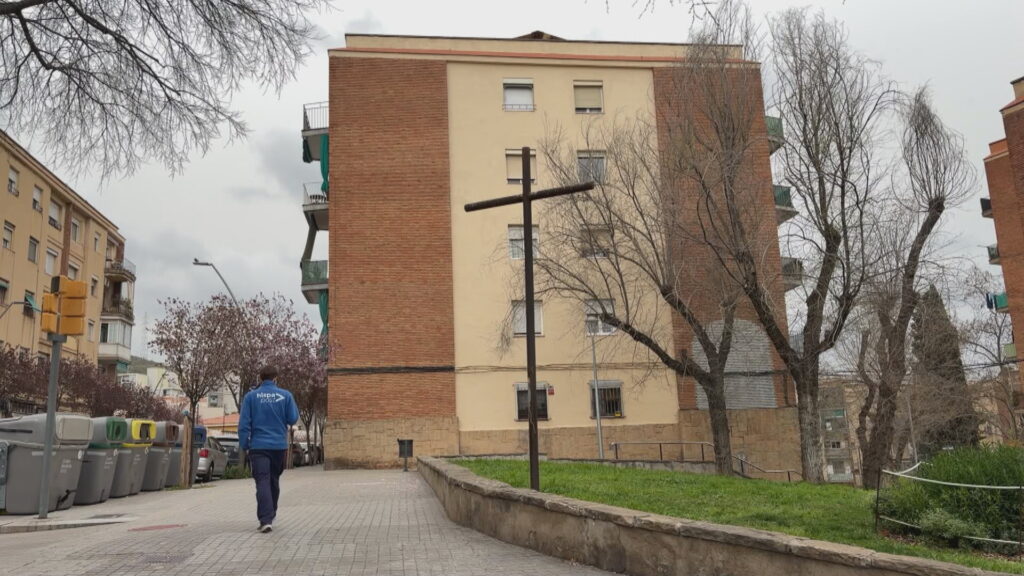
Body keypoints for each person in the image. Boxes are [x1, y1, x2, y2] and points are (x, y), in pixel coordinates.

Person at [237, 365, 299, 533]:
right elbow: (293, 418)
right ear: (275, 378)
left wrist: (244, 444)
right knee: (273, 481)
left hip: (258, 446)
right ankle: (270, 515)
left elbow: (243, 424)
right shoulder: (285, 395)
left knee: (262, 481)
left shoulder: (251, 397)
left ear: (260, 378)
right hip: (278, 447)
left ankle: (266, 519)